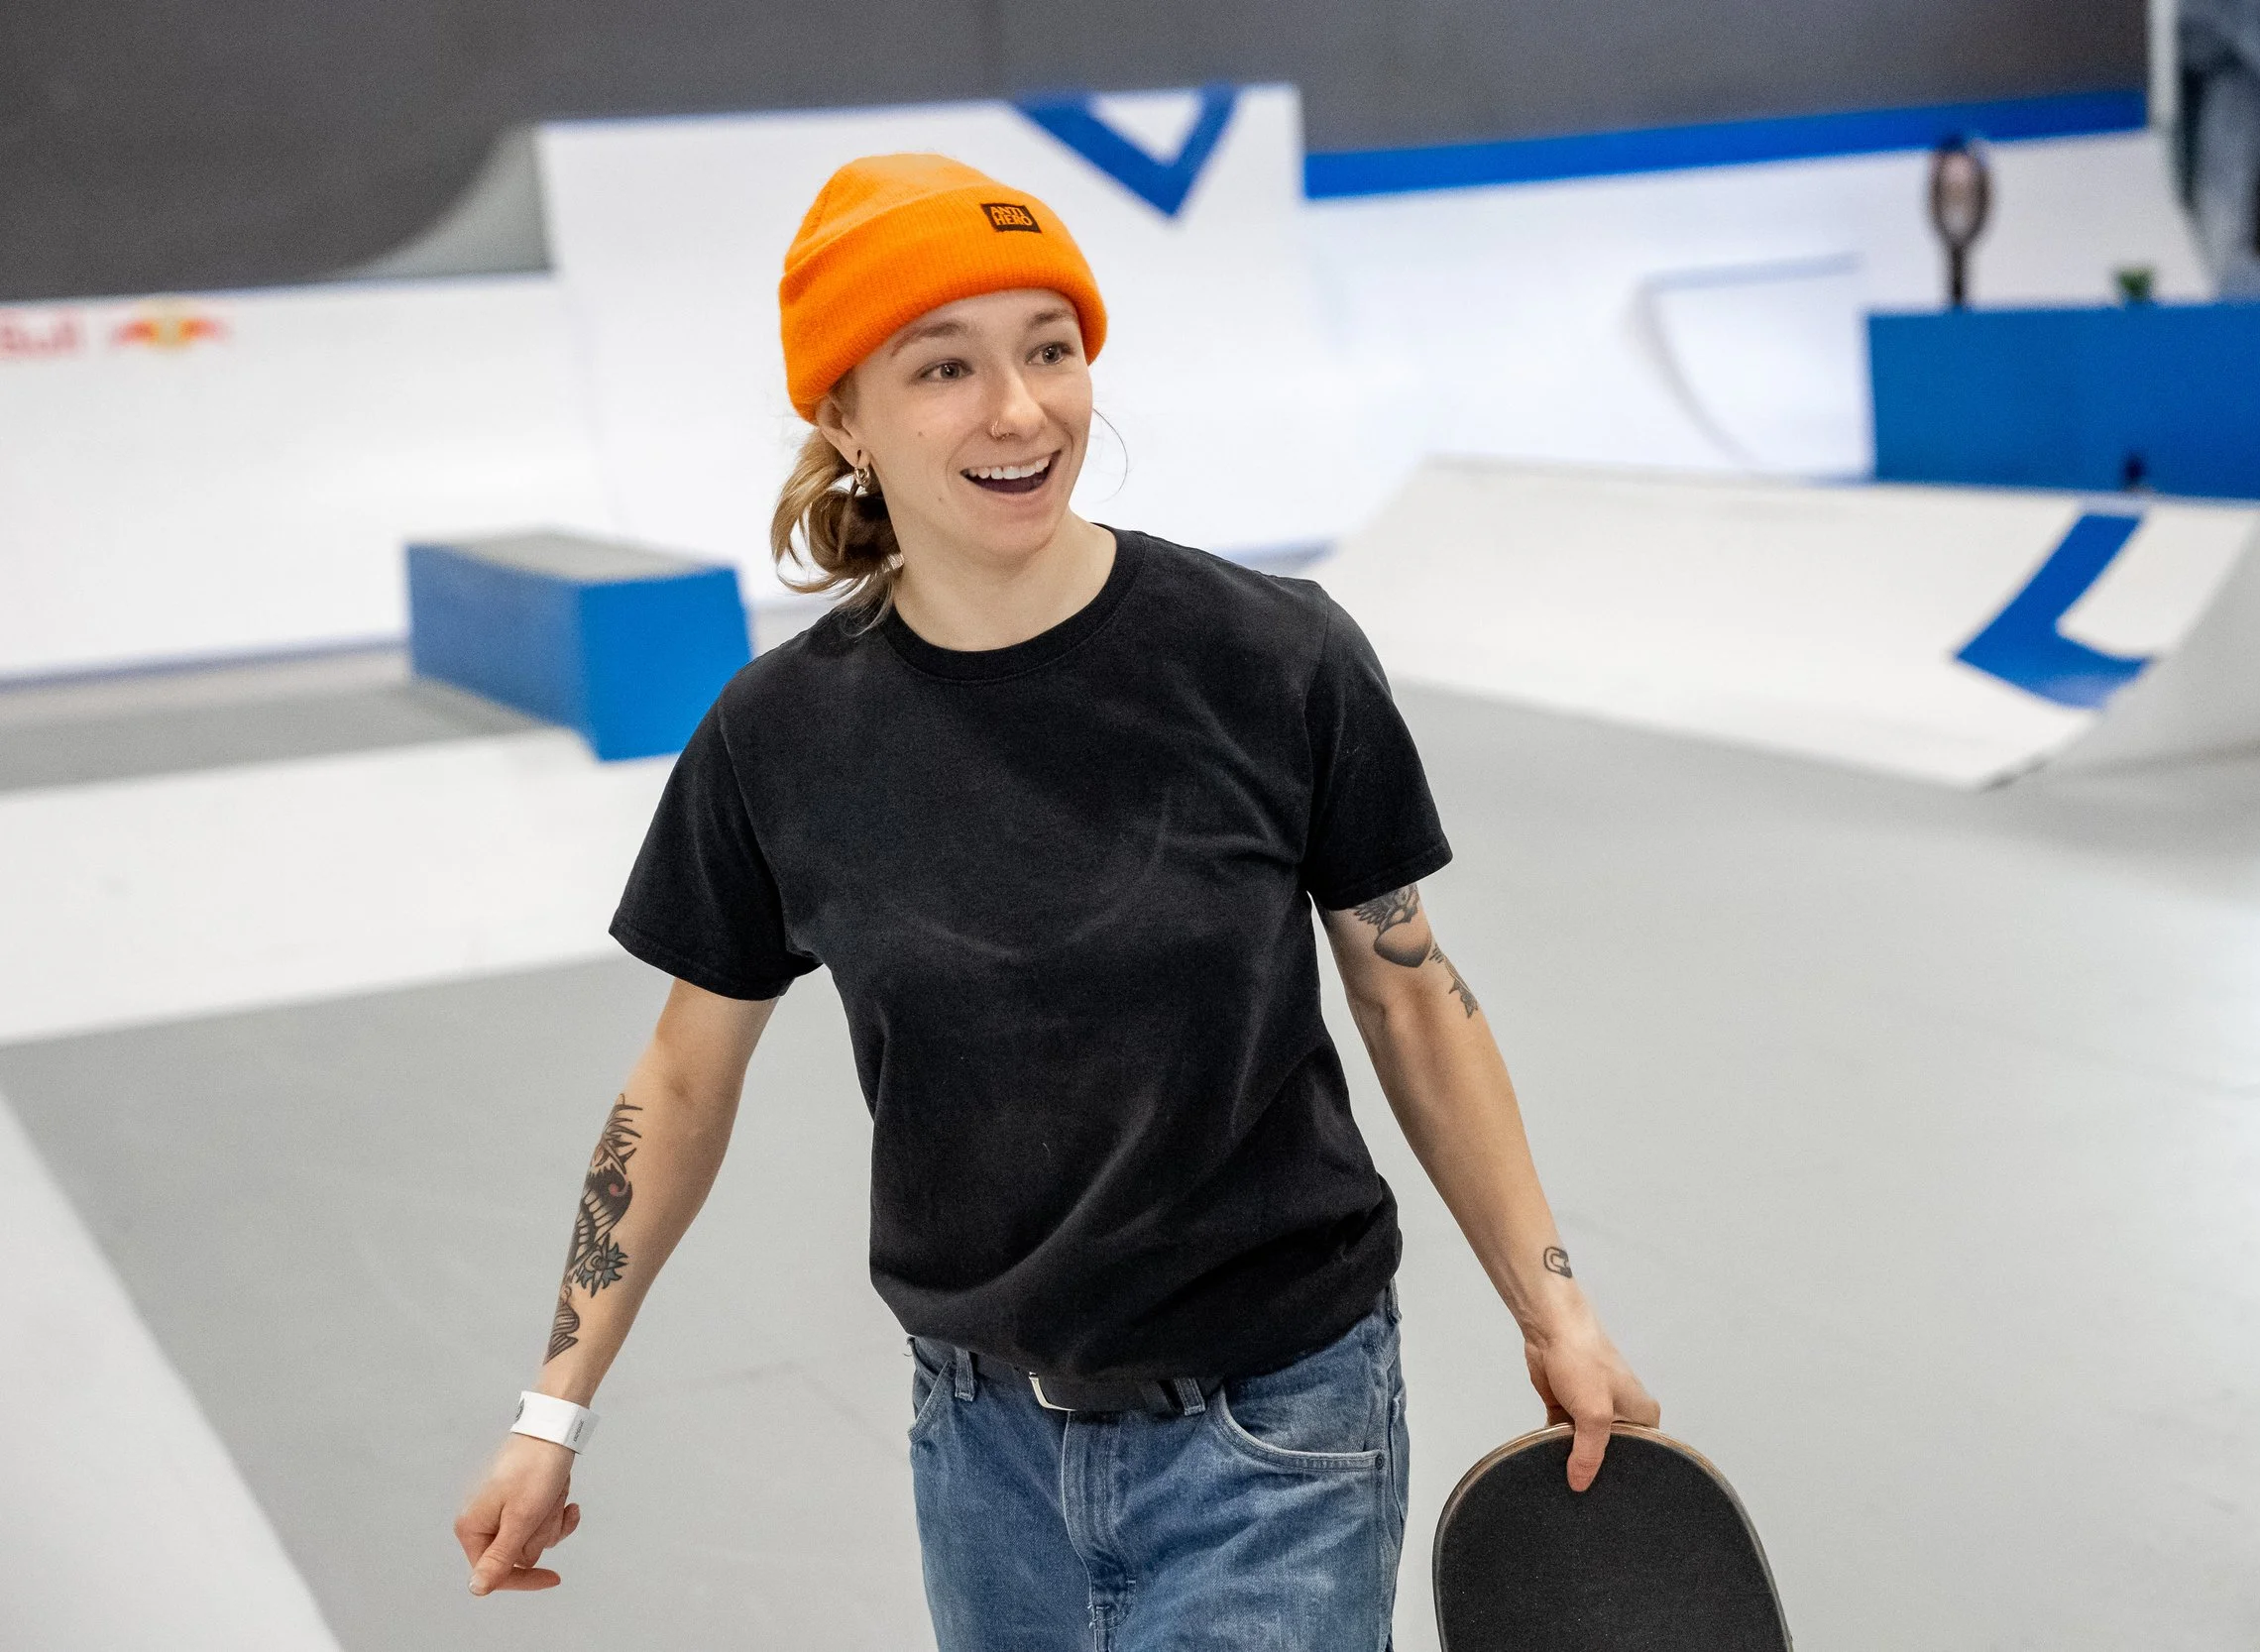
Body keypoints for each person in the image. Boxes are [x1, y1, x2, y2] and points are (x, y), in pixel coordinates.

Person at [452, 153, 1658, 1648]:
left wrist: (1555, 1309)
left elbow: (1410, 986)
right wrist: (550, 1405)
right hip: (980, 1447)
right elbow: (681, 1080)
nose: (1019, 410)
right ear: (842, 416)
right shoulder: (779, 738)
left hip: (1278, 1428)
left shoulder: (1271, 657)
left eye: (1051, 348)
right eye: (943, 366)